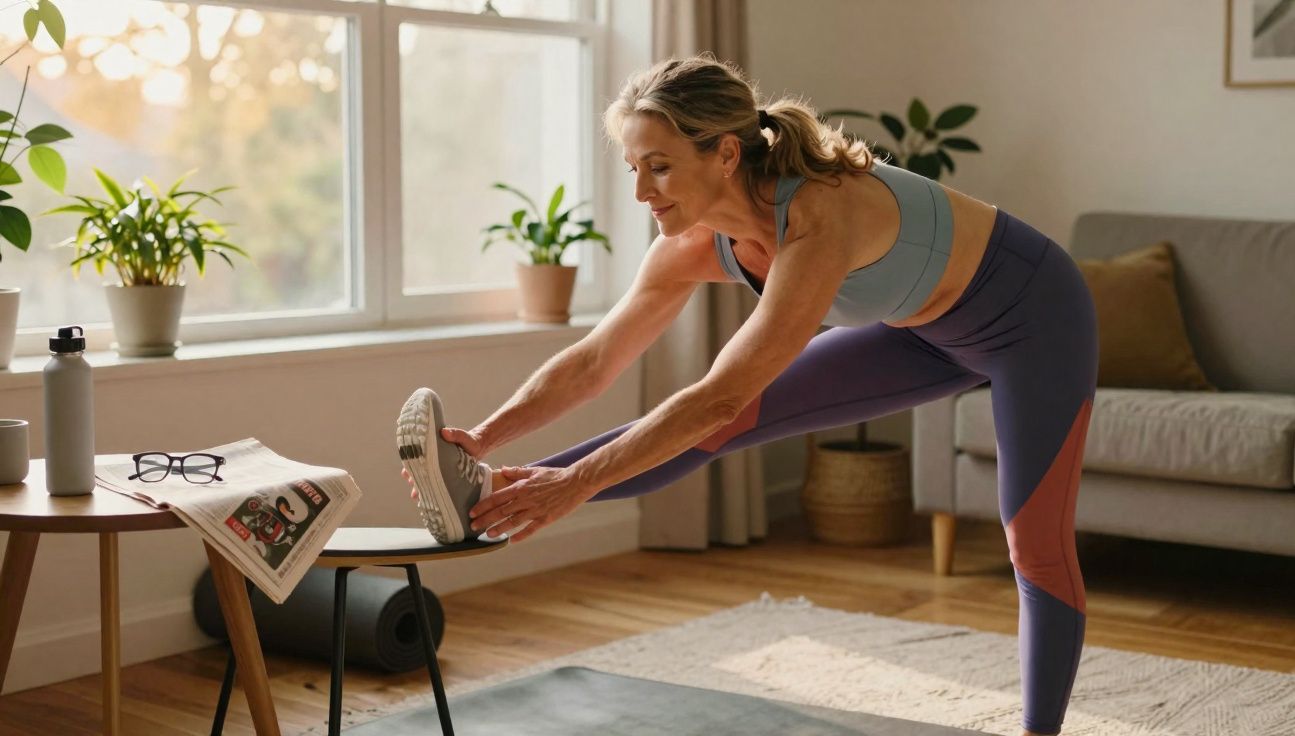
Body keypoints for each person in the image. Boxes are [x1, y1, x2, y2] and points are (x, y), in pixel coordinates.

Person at [397, 55, 1096, 736]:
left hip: (1035, 322)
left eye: (661, 167)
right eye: (633, 169)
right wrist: (484, 438)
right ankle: (485, 488)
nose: (643, 193)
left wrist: (573, 483)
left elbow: (719, 395)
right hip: (918, 333)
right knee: (709, 431)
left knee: (1032, 542)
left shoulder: (822, 216)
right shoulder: (689, 244)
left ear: (726, 155)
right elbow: (594, 360)